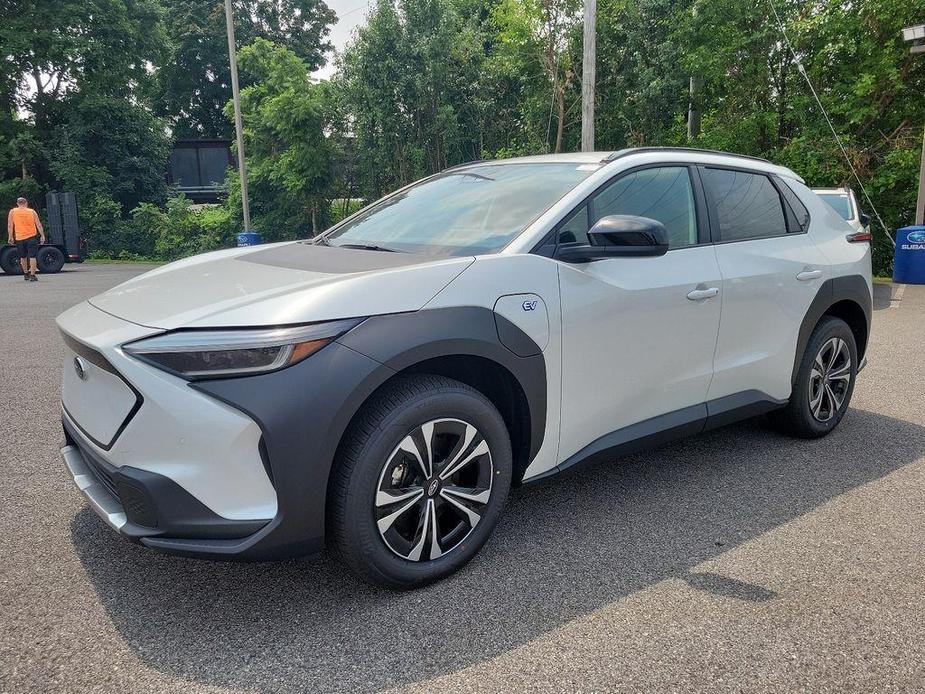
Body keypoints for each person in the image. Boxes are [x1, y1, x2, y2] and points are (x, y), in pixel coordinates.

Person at [7, 197, 45, 281]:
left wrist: (10, 236)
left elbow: (10, 225)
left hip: (19, 237)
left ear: (17, 203)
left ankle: (25, 274)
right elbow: (38, 224)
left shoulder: (12, 212)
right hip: (31, 237)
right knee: (32, 256)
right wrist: (42, 235)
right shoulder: (32, 212)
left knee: (23, 257)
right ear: (26, 203)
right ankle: (32, 275)